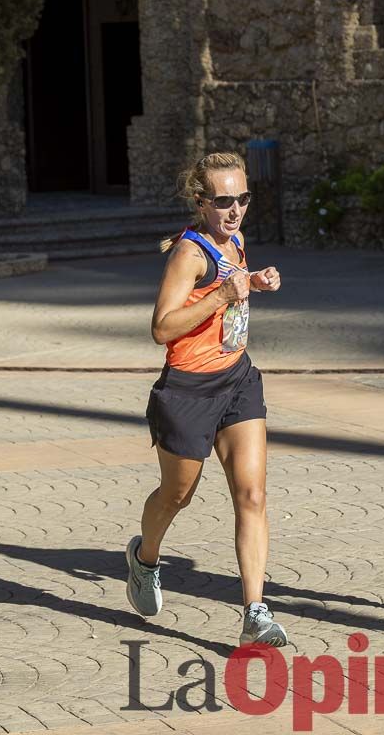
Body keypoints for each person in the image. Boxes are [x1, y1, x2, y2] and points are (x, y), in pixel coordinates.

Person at [125, 152, 288, 646]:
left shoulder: (234, 239)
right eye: (223, 201)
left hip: (237, 380)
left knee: (252, 494)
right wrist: (220, 295)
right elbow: (161, 328)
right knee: (178, 495)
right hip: (187, 392)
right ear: (201, 202)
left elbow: (229, 293)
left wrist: (253, 283)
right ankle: (144, 557)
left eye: (242, 198)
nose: (235, 209)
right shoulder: (189, 254)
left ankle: (255, 614)